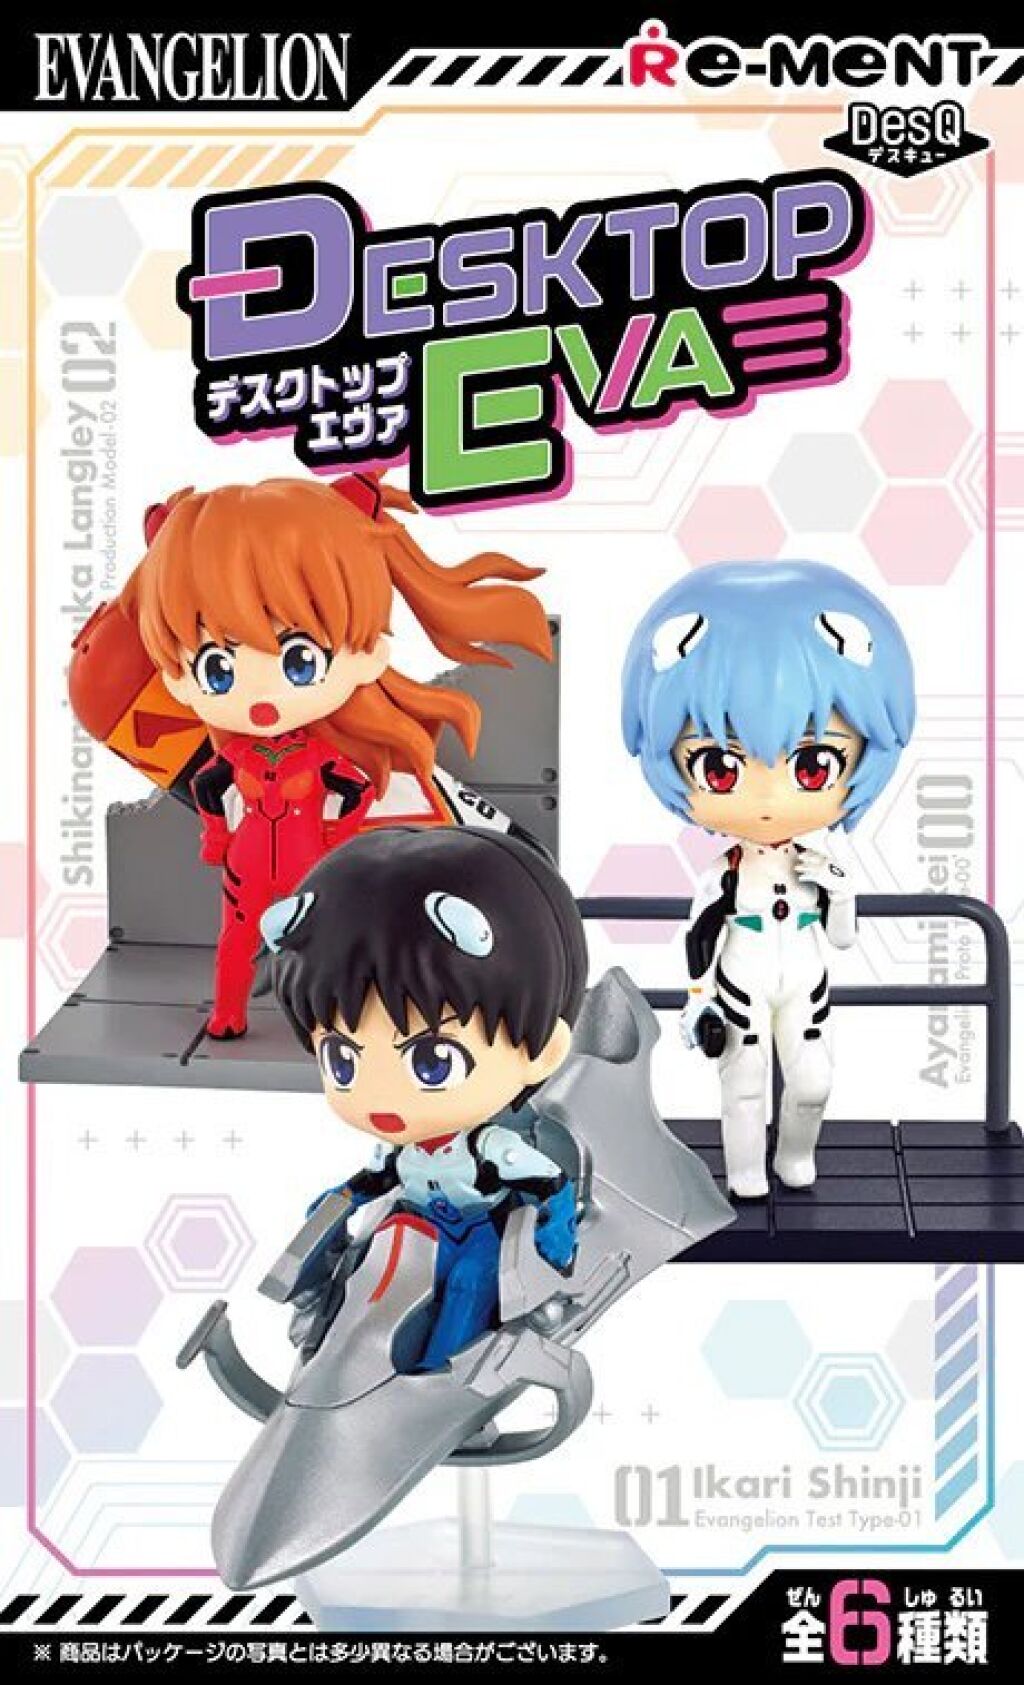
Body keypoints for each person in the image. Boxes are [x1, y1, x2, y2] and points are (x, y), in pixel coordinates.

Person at [622, 559, 916, 1198]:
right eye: (719, 768)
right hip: (740, 982)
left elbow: (841, 939)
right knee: (743, 1082)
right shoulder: (725, 875)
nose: (766, 796)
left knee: (813, 1081)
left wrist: (839, 889)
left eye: (812, 765)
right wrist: (698, 998)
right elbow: (700, 937)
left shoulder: (818, 866)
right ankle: (746, 1172)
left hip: (805, 980)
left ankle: (796, 1157)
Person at [262, 825, 588, 1371]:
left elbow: (550, 1186)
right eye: (342, 1060)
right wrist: (335, 1206)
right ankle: (320, 1318)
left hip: (475, 1232)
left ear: (544, 1051)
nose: (380, 1095)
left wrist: (554, 1245)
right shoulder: (397, 1153)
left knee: (470, 1281)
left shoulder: (491, 1150)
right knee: (353, 1252)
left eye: (432, 1062)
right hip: (410, 1224)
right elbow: (371, 1182)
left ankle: (445, 1370)